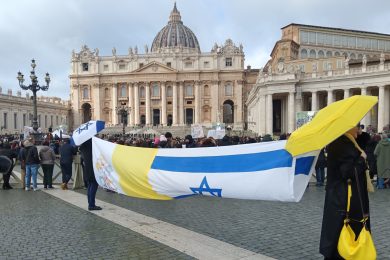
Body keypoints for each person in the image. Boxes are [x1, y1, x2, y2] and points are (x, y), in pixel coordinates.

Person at [320, 124, 371, 259]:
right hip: (344, 199)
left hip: (343, 197)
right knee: (343, 232)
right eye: (357, 127)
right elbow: (347, 172)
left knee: (341, 232)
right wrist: (362, 159)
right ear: (348, 127)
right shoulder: (341, 144)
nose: (359, 131)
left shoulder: (346, 141)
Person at [79, 139, 102, 211]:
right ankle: (91, 205)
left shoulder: (83, 146)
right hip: (92, 168)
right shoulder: (91, 144)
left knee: (90, 185)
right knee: (94, 185)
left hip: (87, 168)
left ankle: (90, 203)